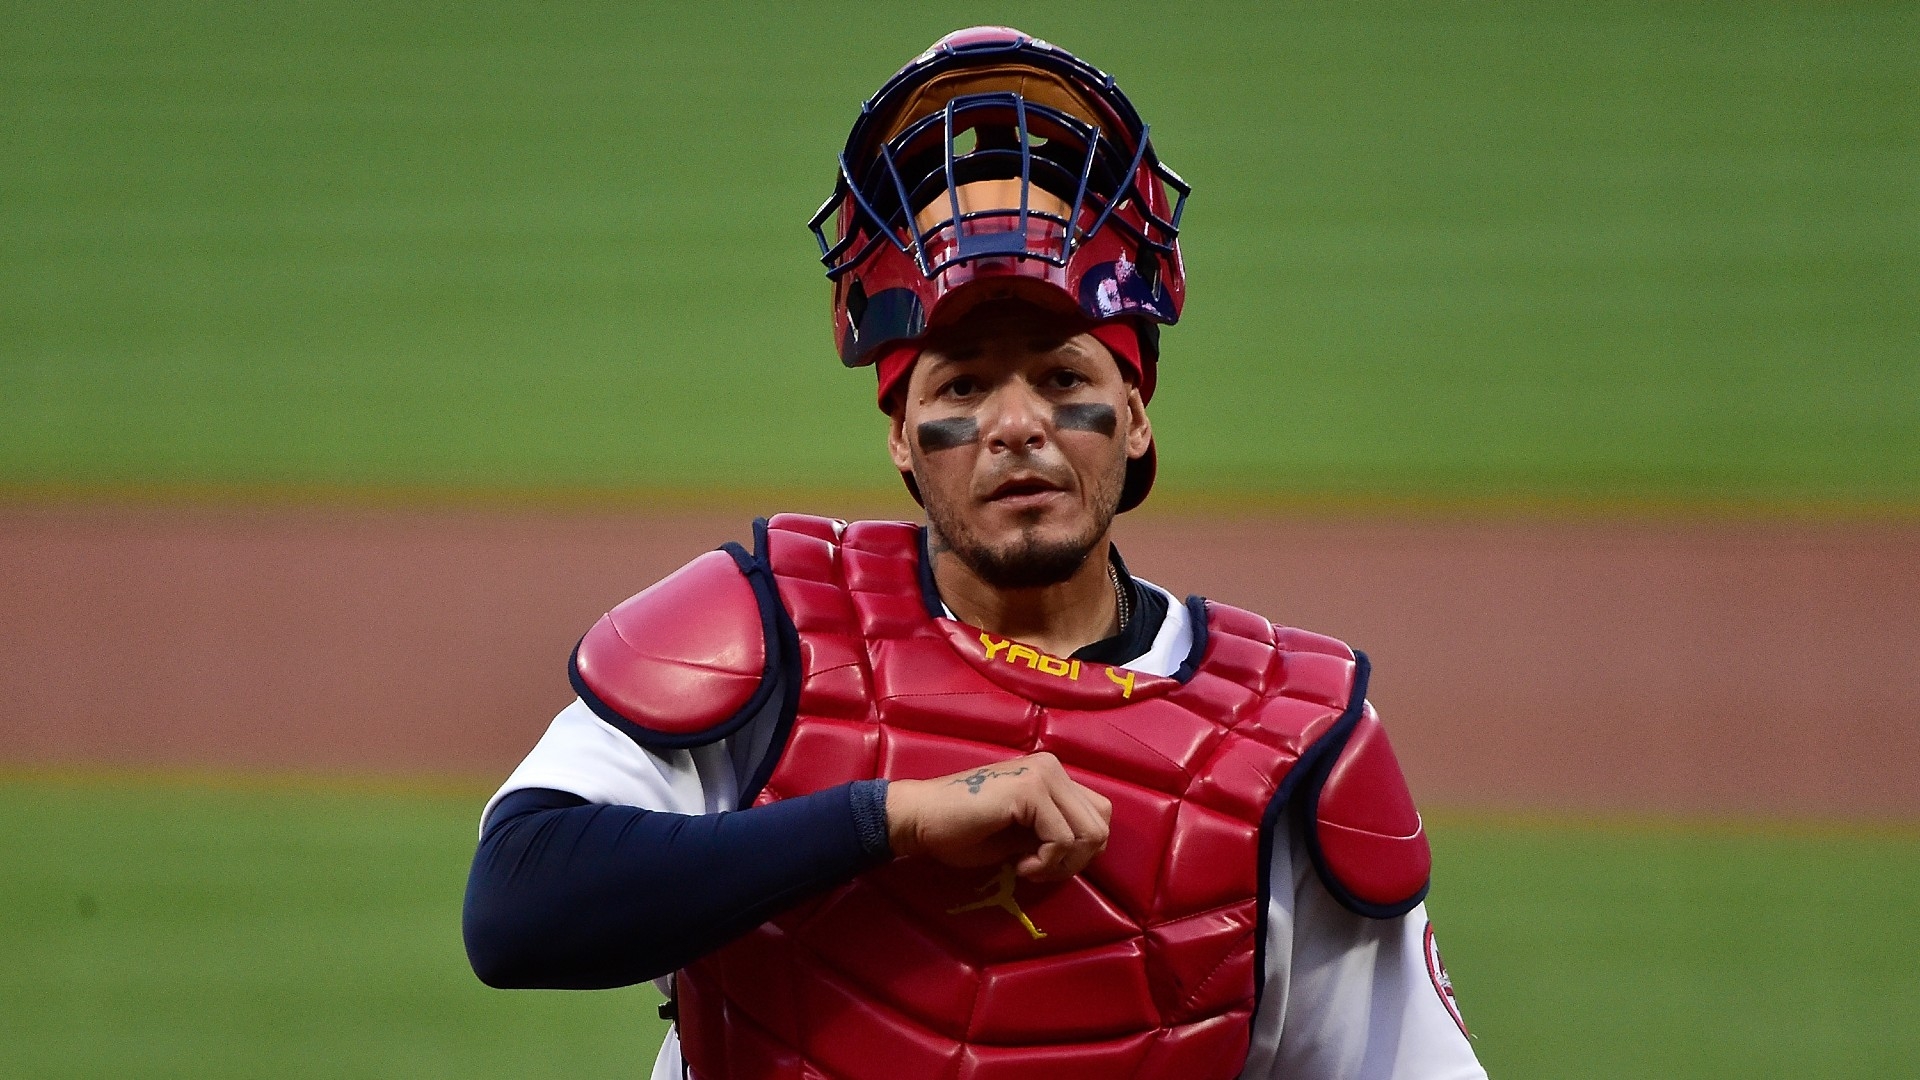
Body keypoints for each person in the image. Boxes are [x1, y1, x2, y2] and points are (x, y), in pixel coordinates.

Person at [464, 26, 1486, 1080]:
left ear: (1135, 414)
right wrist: (892, 815)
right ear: (900, 434)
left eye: (1061, 377)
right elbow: (516, 911)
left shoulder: (1286, 744)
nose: (1016, 425)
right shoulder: (769, 639)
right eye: (960, 386)